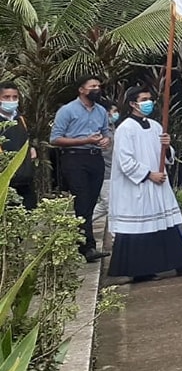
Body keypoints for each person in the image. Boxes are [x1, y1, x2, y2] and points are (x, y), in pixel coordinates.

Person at [107, 87, 182, 282]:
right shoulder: (125, 128)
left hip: (157, 182)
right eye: (144, 99)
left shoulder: (155, 126)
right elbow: (124, 160)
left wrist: (167, 147)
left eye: (150, 99)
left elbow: (167, 157)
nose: (148, 102)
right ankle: (142, 271)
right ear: (133, 104)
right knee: (140, 228)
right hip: (138, 186)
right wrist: (148, 174)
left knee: (165, 223)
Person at [50, 76, 111, 263]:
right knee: (82, 200)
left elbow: (106, 133)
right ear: (82, 90)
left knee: (91, 202)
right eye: (92, 86)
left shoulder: (101, 111)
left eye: (98, 86)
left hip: (95, 158)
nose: (97, 89)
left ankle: (84, 242)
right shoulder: (67, 110)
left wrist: (105, 141)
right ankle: (87, 247)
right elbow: (55, 139)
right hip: (75, 158)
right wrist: (85, 140)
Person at [0, 83, 39, 209]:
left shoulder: (21, 118)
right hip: (4, 180)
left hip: (25, 179)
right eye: (6, 97)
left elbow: (26, 139)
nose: (11, 101)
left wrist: (32, 149)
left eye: (14, 97)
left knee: (29, 213)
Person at [92, 104, 118, 224]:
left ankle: (77, 224)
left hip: (114, 172)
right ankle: (116, 237)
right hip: (105, 173)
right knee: (111, 207)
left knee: (104, 206)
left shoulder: (112, 129)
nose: (116, 114)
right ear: (107, 114)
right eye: (114, 111)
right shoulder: (99, 132)